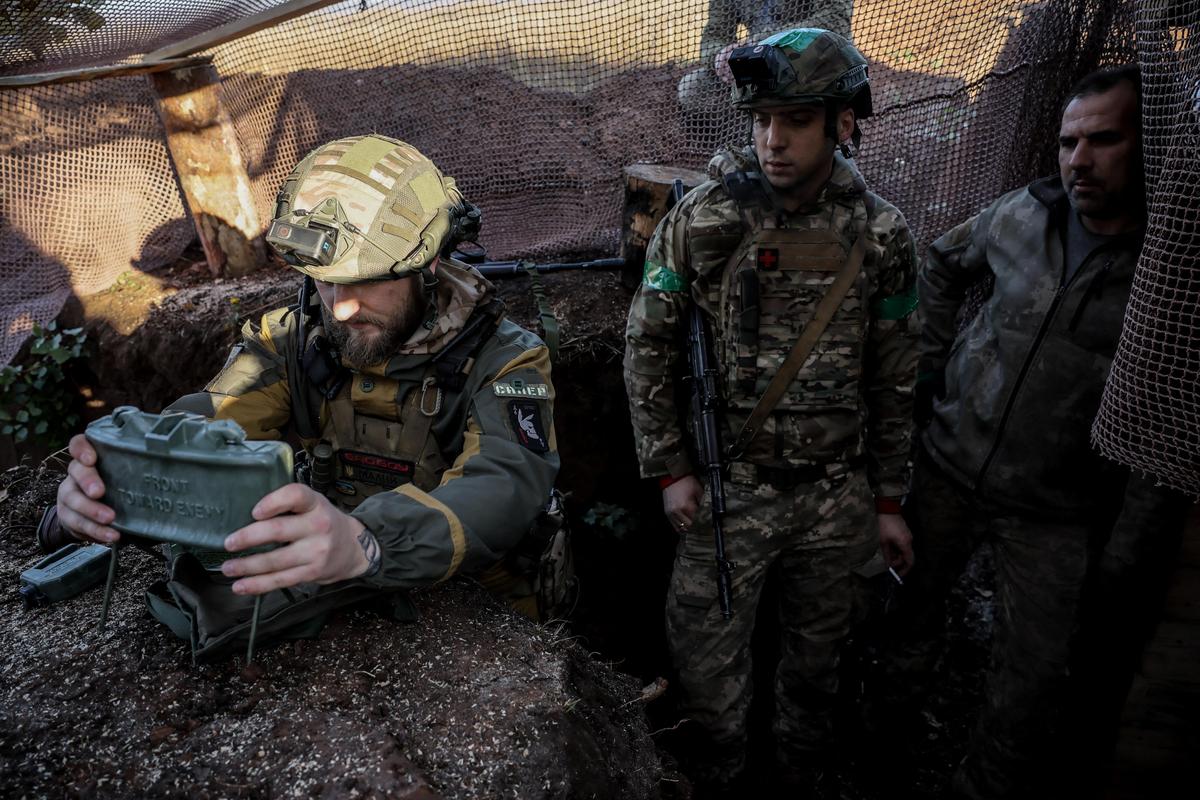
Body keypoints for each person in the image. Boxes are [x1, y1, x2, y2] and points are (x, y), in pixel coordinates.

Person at [55, 135, 561, 653]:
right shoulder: (290, 341)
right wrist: (113, 488)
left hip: (479, 611)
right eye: (324, 282)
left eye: (364, 281)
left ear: (427, 263)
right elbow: (210, 426)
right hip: (338, 592)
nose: (341, 308)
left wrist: (366, 542)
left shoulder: (506, 358)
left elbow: (504, 482)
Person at [879, 65, 1190, 798]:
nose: (1078, 160)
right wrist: (931, 371)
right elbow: (944, 262)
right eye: (1066, 142)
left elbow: (1173, 425)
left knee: (1032, 683)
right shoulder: (1023, 213)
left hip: (1055, 513)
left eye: (1103, 140)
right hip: (949, 468)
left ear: (1150, 146)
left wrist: (1121, 547)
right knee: (904, 625)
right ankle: (883, 762)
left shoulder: (1170, 273)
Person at [625, 28, 919, 793]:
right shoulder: (706, 219)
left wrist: (887, 501)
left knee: (815, 685)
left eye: (794, 120)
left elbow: (894, 377)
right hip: (731, 494)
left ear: (842, 124)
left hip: (835, 497)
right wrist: (671, 472)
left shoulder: (881, 234)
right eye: (761, 121)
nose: (772, 140)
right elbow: (647, 345)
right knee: (708, 688)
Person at [678, 1, 854, 110]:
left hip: (811, 64)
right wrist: (720, 56)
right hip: (758, 68)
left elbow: (835, 22)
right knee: (693, 88)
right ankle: (749, 138)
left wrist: (765, 41)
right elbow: (714, 35)